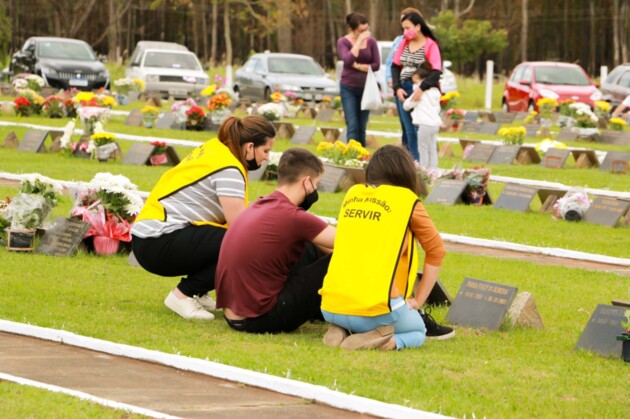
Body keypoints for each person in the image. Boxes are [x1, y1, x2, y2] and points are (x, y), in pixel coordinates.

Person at [131, 116, 276, 320]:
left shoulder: (216, 148)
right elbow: (239, 227)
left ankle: (199, 292)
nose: (267, 157)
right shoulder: (230, 169)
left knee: (233, 240)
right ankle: (183, 295)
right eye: (266, 151)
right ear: (250, 147)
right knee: (245, 244)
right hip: (159, 241)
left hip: (149, 237)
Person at [319, 145, 454, 351]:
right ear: (406, 173)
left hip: (331, 305)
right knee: (418, 332)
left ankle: (340, 328)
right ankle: (387, 340)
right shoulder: (406, 201)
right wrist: (417, 301)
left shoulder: (353, 195)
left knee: (354, 313)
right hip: (376, 308)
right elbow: (436, 250)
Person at [215, 148, 336, 334]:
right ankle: (363, 315)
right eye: (316, 184)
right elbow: (349, 243)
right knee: (338, 260)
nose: (315, 190)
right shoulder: (293, 217)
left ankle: (320, 310)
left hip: (234, 315)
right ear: (306, 182)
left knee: (311, 247)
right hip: (261, 318)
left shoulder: (261, 204)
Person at [391, 12, 442, 162]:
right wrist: (397, 87)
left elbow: (436, 71)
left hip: (421, 90)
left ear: (418, 26)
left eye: (408, 28)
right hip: (403, 89)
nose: (405, 32)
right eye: (403, 29)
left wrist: (421, 89)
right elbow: (395, 66)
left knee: (417, 129)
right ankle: (410, 164)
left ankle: (420, 167)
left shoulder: (430, 45)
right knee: (408, 130)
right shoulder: (404, 43)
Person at [337, 12, 380, 147]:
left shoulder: (372, 42)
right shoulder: (343, 42)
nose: (365, 33)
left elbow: (376, 65)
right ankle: (352, 155)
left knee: (362, 126)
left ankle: (362, 156)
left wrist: (359, 66)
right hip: (348, 87)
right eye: (361, 31)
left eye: (366, 29)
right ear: (352, 29)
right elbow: (348, 60)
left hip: (366, 88)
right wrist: (359, 41)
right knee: (353, 124)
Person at [385, 7, 424, 152]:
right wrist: (392, 81)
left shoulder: (425, 42)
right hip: (399, 86)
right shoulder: (398, 41)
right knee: (406, 127)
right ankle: (407, 159)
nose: (404, 29)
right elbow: (391, 63)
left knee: (414, 128)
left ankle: (415, 162)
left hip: (415, 86)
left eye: (407, 25)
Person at [403, 62, 442, 169]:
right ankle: (433, 170)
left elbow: (406, 106)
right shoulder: (435, 91)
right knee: (432, 149)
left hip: (424, 124)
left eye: (415, 82)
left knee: (423, 149)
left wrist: (411, 98)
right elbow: (438, 109)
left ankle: (424, 170)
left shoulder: (419, 91)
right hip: (435, 124)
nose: (414, 85)